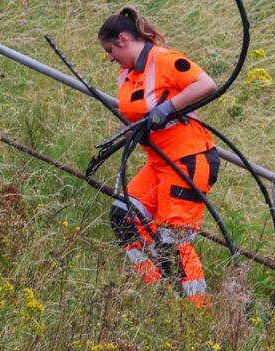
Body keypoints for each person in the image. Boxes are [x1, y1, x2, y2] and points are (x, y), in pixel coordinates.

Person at [98, 7, 219, 308]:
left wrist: (167, 109)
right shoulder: (126, 74)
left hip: (189, 161)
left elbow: (206, 84)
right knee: (122, 218)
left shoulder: (164, 60)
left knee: (173, 243)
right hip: (159, 163)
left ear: (124, 39)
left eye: (110, 50)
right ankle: (160, 291)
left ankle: (196, 314)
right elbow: (135, 112)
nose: (110, 57)